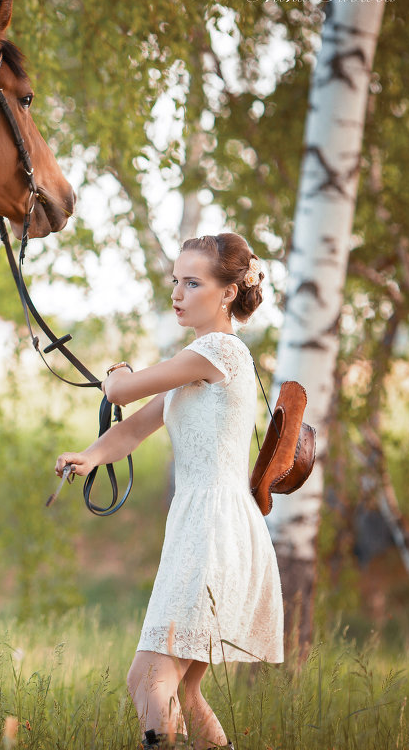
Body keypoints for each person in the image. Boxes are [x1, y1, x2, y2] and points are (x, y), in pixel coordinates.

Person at [54, 233, 283, 750]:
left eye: (193, 282)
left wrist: (118, 373)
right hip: (203, 525)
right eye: (175, 282)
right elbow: (134, 428)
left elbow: (121, 391)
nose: (178, 293)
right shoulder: (200, 361)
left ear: (227, 293)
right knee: (178, 686)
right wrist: (91, 456)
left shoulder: (217, 350)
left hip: (213, 530)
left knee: (150, 678)